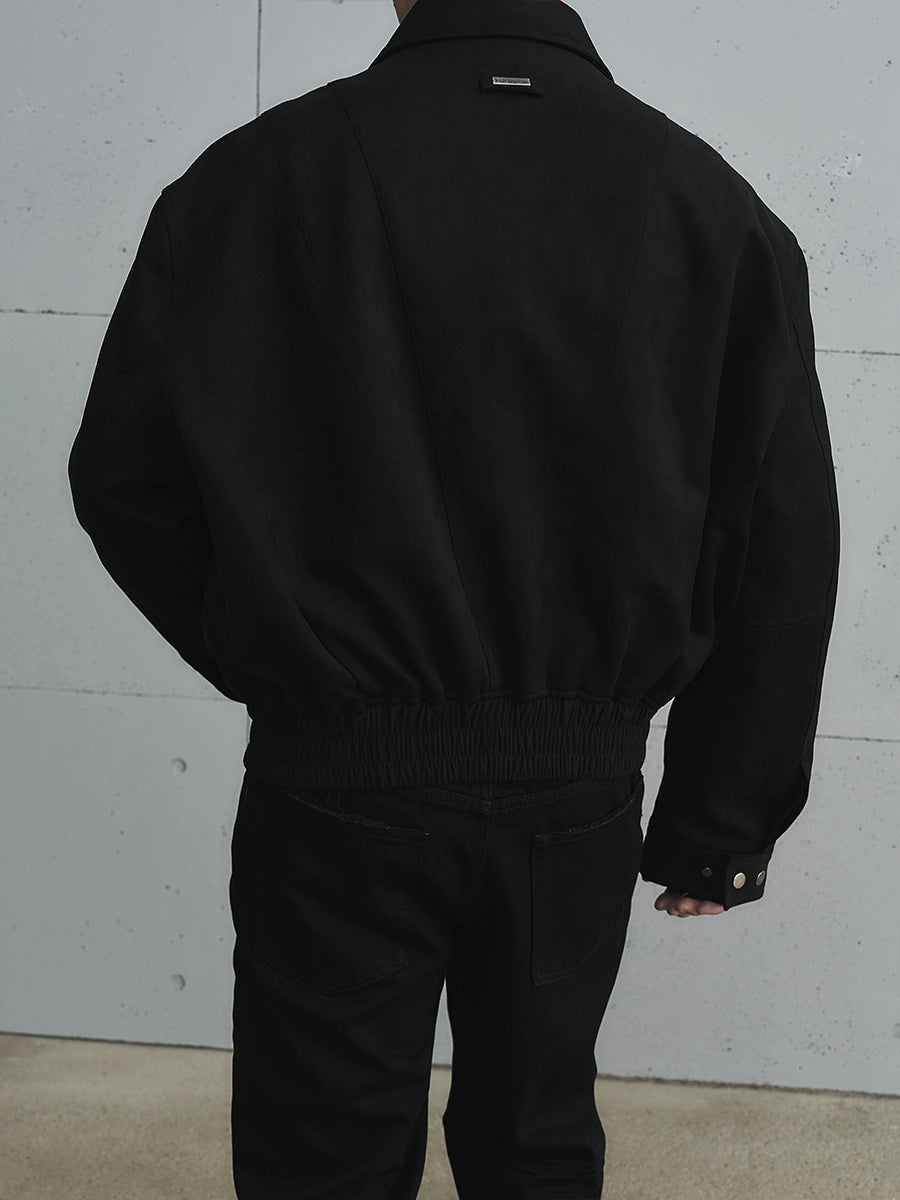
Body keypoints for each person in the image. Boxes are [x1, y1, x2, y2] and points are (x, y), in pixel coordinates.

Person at [67, 0, 840, 1195]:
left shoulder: (255, 180)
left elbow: (127, 478)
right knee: (535, 1144)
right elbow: (781, 536)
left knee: (320, 1157)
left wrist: (293, 660)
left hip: (332, 787)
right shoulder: (711, 206)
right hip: (575, 795)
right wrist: (721, 821)